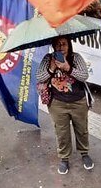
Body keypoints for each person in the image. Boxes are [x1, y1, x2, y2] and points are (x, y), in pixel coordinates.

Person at [36, 36, 93, 174]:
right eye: (58, 44)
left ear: (69, 45)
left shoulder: (76, 58)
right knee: (62, 132)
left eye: (64, 44)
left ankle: (84, 153)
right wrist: (51, 68)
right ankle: (64, 158)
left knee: (82, 129)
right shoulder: (48, 59)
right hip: (57, 103)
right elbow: (39, 77)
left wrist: (68, 68)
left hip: (78, 102)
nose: (61, 47)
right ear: (54, 46)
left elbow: (84, 75)